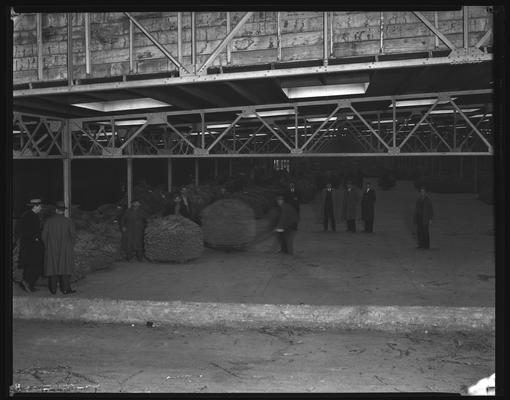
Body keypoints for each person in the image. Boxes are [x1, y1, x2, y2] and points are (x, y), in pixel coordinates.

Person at [41, 201, 76, 295]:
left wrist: (47, 246)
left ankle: (53, 290)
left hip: (52, 248)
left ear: (56, 210)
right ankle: (65, 289)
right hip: (65, 248)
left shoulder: (48, 221)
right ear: (64, 211)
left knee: (52, 268)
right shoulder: (69, 221)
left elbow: (43, 236)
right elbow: (73, 236)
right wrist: (70, 246)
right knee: (65, 268)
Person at [16, 198, 44, 292]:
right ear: (35, 206)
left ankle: (29, 284)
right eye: (40, 206)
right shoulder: (31, 216)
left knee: (30, 265)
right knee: (34, 265)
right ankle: (27, 283)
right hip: (31, 245)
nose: (41, 207)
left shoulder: (28, 215)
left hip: (28, 244)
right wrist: (35, 238)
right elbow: (29, 231)